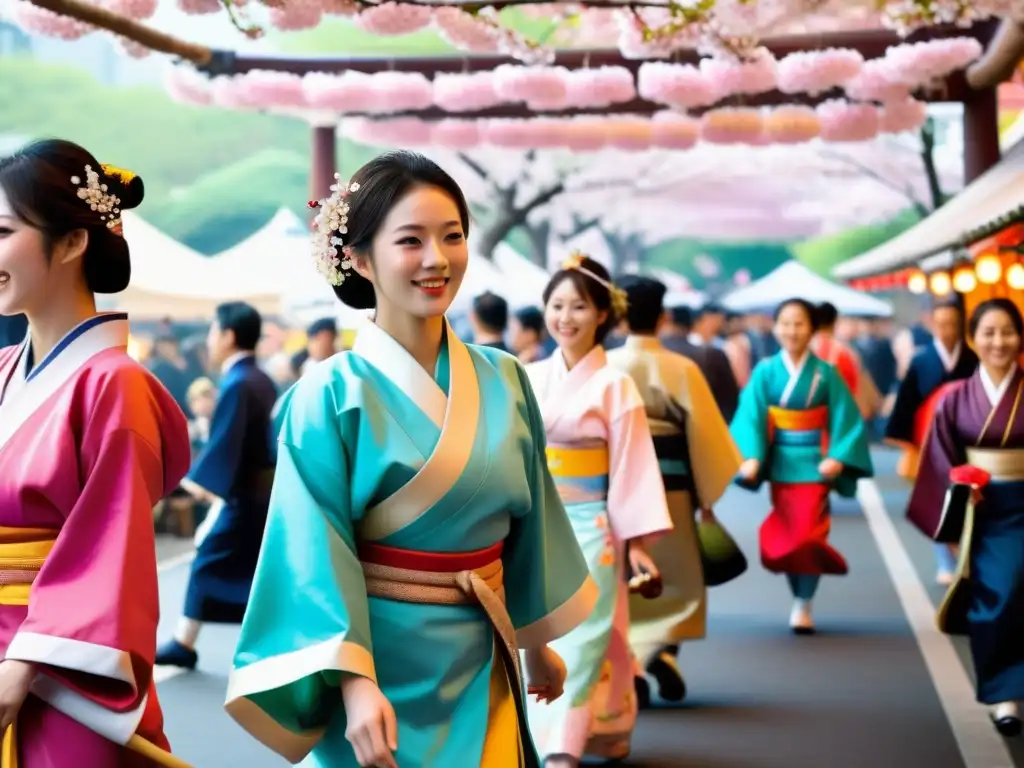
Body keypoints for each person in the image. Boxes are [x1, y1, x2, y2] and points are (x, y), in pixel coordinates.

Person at [224, 151, 596, 768]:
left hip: (483, 660)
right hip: (378, 671)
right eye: (411, 240)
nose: (437, 259)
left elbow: (532, 525)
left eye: (452, 236)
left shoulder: (504, 378)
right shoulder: (326, 396)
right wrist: (354, 682)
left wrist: (533, 640)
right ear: (362, 258)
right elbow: (313, 555)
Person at [0, 139, 191, 764]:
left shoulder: (116, 383)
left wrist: (24, 663)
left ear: (73, 241)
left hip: (51, 673)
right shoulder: (3, 370)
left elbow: (112, 548)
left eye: (3, 231)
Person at [525, 253, 673, 765]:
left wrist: (635, 546)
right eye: (557, 305)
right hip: (536, 523)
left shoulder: (615, 385)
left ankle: (562, 745)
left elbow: (631, 467)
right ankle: (600, 726)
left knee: (583, 633)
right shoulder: (527, 376)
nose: (566, 317)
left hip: (593, 525)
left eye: (579, 307)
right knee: (541, 632)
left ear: (603, 315)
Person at [608, 275, 741, 706]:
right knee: (675, 579)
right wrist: (706, 498)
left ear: (617, 314)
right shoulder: (682, 368)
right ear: (662, 316)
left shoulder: (604, 366)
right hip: (672, 491)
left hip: (616, 486)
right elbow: (707, 437)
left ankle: (630, 662)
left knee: (622, 579)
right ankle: (660, 653)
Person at [907, 298, 1024, 738]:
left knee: (1017, 594)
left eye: (1008, 332)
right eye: (989, 333)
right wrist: (959, 491)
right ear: (974, 339)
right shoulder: (956, 399)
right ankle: (1003, 693)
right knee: (996, 596)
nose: (999, 342)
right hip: (986, 510)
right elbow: (940, 457)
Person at [731, 298, 873, 634]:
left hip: (814, 466)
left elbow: (845, 416)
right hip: (780, 463)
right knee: (792, 535)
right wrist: (751, 456)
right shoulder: (765, 370)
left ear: (812, 329)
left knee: (808, 535)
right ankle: (800, 595)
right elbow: (750, 416)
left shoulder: (826, 373)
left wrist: (838, 456)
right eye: (785, 323)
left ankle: (803, 602)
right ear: (775, 327)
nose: (792, 331)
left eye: (799, 324)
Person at [156, 301, 278, 670]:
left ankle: (184, 643)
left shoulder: (239, 383)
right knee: (249, 570)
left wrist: (191, 485)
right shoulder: (260, 378)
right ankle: (187, 641)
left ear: (228, 334)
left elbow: (225, 444)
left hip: (243, 497)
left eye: (212, 331)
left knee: (210, 559)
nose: (209, 340)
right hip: (260, 494)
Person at [887, 300, 978, 585]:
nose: (947, 330)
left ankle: (964, 556)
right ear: (931, 324)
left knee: (965, 500)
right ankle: (944, 560)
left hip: (966, 439)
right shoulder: (921, 360)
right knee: (939, 499)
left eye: (952, 324)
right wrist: (907, 443)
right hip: (930, 440)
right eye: (941, 324)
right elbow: (907, 403)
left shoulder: (972, 360)